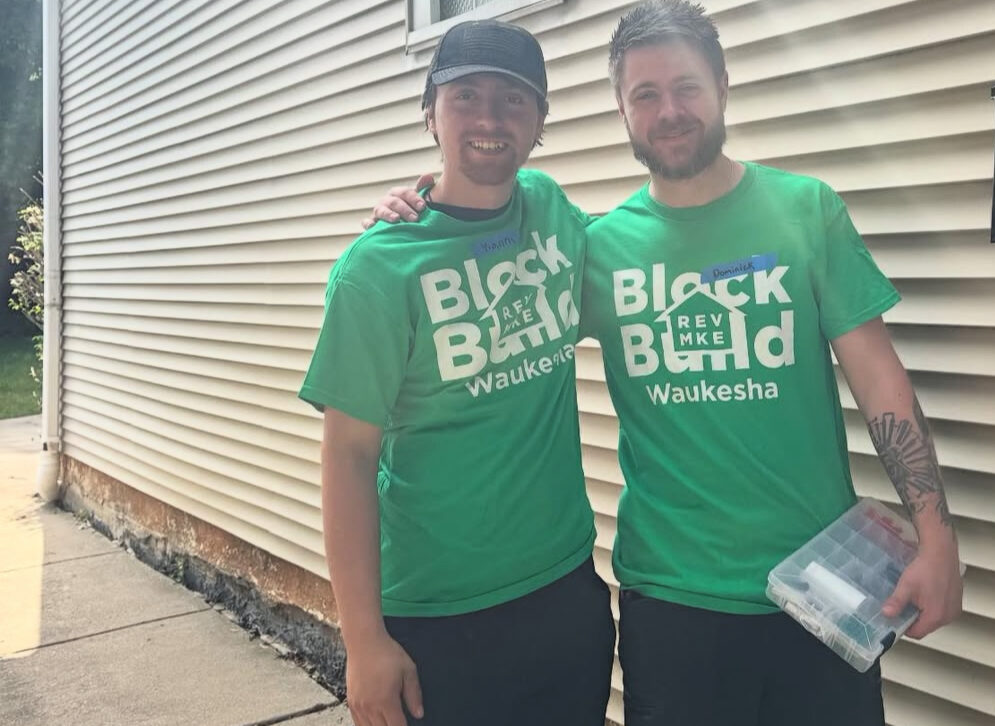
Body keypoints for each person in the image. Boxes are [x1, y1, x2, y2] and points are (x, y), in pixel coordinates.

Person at [368, 3, 963, 724]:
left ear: (723, 86)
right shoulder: (594, 249)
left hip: (820, 588)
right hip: (672, 604)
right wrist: (424, 204)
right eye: (645, 94)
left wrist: (937, 539)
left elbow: (881, 384)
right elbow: (483, 256)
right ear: (622, 109)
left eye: (686, 87)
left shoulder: (807, 211)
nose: (669, 111)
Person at [301, 19, 614, 726]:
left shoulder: (550, 210)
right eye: (465, 95)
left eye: (513, 99)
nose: (489, 119)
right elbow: (348, 456)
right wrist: (363, 641)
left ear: (540, 121)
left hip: (564, 593)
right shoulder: (378, 269)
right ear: (430, 112)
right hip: (434, 616)